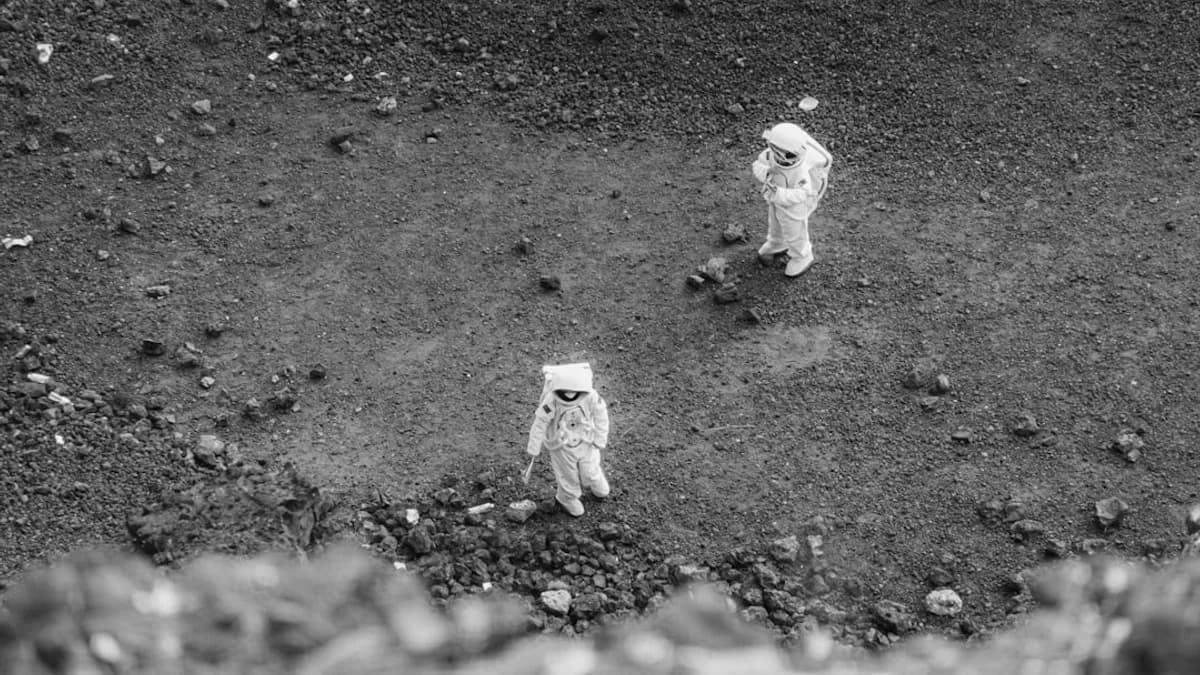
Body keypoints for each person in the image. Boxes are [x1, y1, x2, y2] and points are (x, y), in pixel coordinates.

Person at [525, 362, 610, 517]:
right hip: (561, 447)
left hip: (586, 441)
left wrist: (600, 437)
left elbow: (601, 415)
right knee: (567, 474)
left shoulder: (591, 396)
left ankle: (594, 479)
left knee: (590, 466)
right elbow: (540, 422)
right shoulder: (551, 401)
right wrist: (534, 446)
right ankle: (567, 497)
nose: (570, 395)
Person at [751, 122, 833, 277]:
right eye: (788, 154)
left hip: (793, 207)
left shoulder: (801, 171)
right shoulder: (769, 155)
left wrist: (779, 193)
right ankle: (777, 243)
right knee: (775, 223)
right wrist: (766, 173)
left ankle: (802, 255)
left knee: (795, 232)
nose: (793, 157)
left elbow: (803, 193)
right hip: (775, 200)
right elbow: (758, 165)